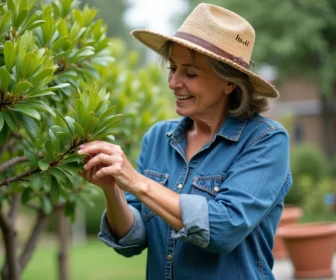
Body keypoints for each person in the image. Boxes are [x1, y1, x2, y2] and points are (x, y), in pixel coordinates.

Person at [78, 3, 292, 280]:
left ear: (230, 83)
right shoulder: (158, 138)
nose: (173, 82)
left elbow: (223, 228)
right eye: (173, 68)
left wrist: (135, 181)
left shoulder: (265, 141)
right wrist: (113, 190)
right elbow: (133, 239)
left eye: (190, 74)